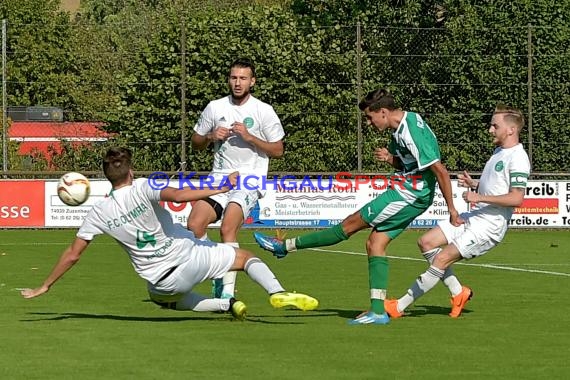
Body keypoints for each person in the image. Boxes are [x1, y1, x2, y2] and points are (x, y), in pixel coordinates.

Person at [20, 147, 318, 320]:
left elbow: (72, 255)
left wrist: (44, 286)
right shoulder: (143, 186)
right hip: (188, 259)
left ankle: (226, 305)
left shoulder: (97, 214)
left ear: (105, 177)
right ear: (130, 172)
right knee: (244, 257)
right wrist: (221, 186)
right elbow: (177, 195)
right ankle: (277, 293)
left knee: (164, 300)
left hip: (159, 283)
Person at [255, 88, 460, 325]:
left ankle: (285, 247)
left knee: (349, 225)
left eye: (370, 118)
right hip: (409, 191)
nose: (369, 123)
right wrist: (391, 159)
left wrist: (452, 209)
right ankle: (377, 311)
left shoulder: (411, 131)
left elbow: (440, 170)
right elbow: (412, 162)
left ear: (383, 112)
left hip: (410, 194)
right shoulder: (406, 123)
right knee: (375, 243)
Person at [384, 104, 530, 319]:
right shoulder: (500, 151)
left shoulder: (518, 157)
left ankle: (399, 306)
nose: (490, 130)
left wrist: (478, 197)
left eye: (494, 126)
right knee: (426, 242)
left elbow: (516, 198)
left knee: (442, 260)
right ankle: (458, 292)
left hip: (489, 227)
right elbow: (497, 187)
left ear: (511, 130)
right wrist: (475, 185)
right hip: (476, 217)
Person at [187, 57, 284, 299]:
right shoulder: (215, 107)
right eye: (233, 78)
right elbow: (195, 143)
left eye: (243, 78)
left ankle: (227, 293)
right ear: (228, 80)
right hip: (219, 178)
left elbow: (278, 150)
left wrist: (251, 138)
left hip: (249, 179)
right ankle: (219, 270)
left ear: (252, 81)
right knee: (194, 225)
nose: (237, 83)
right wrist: (210, 136)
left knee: (228, 228)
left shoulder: (263, 111)